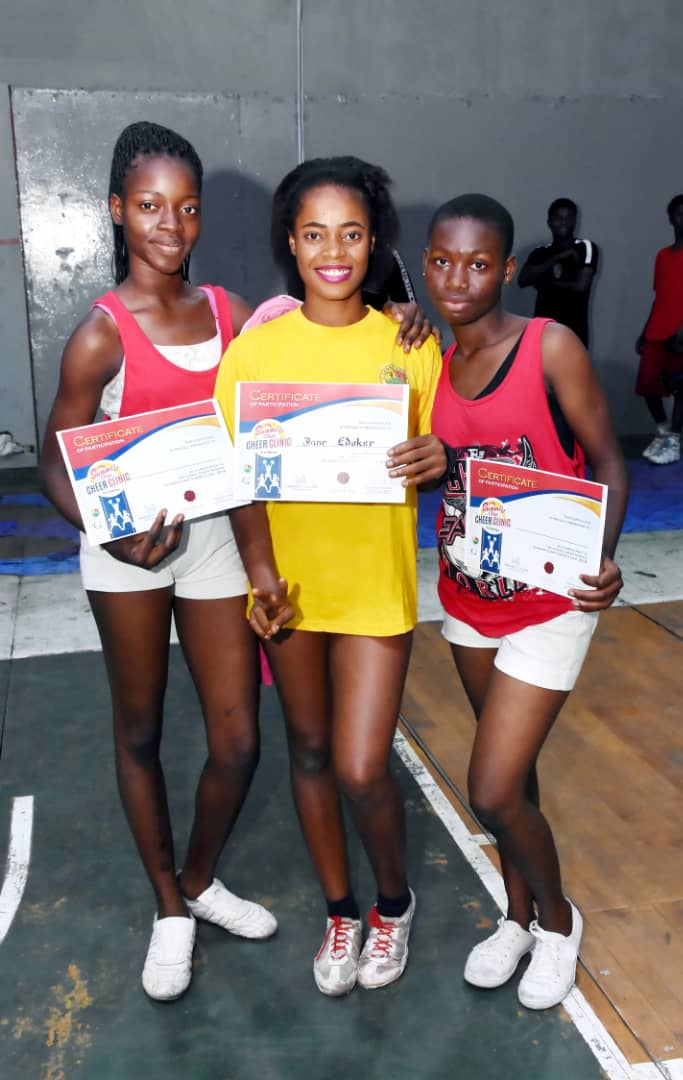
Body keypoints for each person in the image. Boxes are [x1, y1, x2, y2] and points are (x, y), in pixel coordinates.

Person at [38, 126, 433, 1003]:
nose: (169, 223)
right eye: (149, 206)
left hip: (218, 538)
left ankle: (200, 877)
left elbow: (325, 340)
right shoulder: (99, 335)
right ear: (116, 210)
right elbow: (53, 459)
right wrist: (106, 533)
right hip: (129, 548)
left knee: (241, 740)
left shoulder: (234, 315)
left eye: (186, 207)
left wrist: (407, 307)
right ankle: (168, 908)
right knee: (140, 732)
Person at [214, 156, 446, 997]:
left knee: (359, 765)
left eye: (351, 233)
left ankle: (394, 904)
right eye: (315, 234)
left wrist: (440, 458)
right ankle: (341, 911)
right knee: (309, 752)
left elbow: (446, 448)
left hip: (376, 589)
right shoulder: (256, 352)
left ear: (374, 240)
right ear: (291, 242)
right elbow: (241, 479)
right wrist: (261, 576)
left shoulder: (409, 345)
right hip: (290, 592)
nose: (334, 251)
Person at [422, 194, 627, 1010]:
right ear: (426, 264)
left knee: (493, 788)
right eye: (442, 261)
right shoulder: (429, 361)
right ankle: (516, 917)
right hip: (468, 597)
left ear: (508, 269)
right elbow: (444, 469)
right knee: (515, 778)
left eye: (478, 264)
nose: (458, 279)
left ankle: (558, 922)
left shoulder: (549, 347)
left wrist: (603, 554)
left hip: (552, 600)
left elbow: (608, 460)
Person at [635, 194, 683, 465]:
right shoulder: (662, 256)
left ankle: (674, 442)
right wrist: (645, 331)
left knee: (681, 387)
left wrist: (682, 332)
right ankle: (662, 433)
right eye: (679, 213)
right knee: (648, 386)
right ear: (670, 218)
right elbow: (659, 297)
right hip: (657, 332)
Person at [518, 198, 598, 347]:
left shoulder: (585, 247)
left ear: (575, 221)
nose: (563, 222)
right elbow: (523, 279)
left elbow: (581, 286)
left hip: (574, 332)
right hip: (543, 331)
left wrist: (544, 282)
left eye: (568, 218)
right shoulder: (540, 252)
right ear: (549, 223)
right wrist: (557, 257)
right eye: (559, 218)